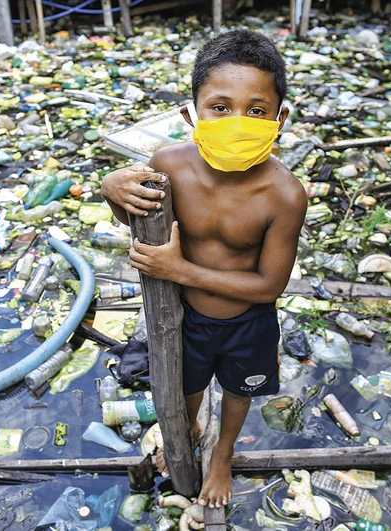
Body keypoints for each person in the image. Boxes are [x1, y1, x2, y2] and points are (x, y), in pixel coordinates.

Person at [100, 29, 307, 509]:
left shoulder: (284, 193)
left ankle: (223, 453)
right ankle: (187, 428)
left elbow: (269, 286)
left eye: (257, 111)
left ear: (281, 118)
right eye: (220, 106)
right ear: (189, 113)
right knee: (184, 386)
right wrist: (112, 190)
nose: (238, 121)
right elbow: (141, 219)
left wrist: (180, 271)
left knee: (238, 393)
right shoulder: (169, 165)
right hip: (185, 318)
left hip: (248, 322)